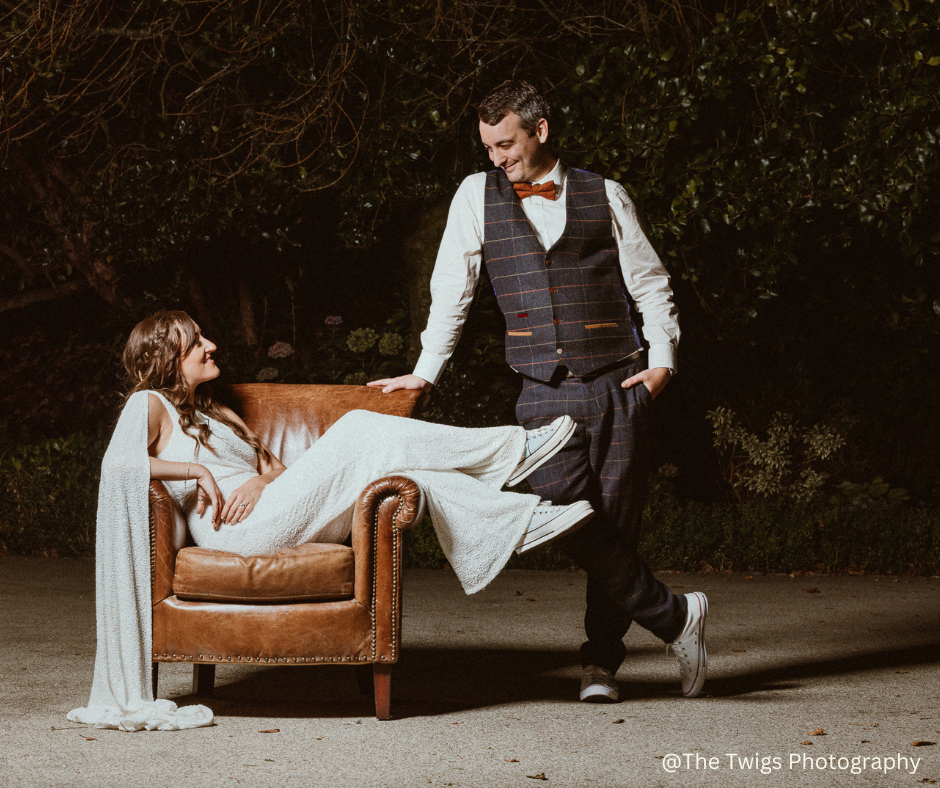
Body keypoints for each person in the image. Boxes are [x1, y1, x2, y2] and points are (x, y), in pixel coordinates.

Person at [69, 310, 592, 731]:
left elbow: (277, 471)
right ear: (167, 356)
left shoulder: (218, 411)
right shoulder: (150, 403)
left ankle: (518, 523)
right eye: (196, 341)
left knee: (411, 472)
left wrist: (258, 481)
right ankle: (514, 451)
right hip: (234, 531)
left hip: (271, 509)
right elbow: (118, 465)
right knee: (359, 426)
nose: (211, 345)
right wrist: (196, 470)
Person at [370, 80, 708, 703]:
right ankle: (674, 616)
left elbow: (651, 284)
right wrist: (426, 370)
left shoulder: (607, 194)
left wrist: (663, 362)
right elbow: (452, 290)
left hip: (620, 383)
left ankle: (601, 665)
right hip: (541, 392)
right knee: (557, 510)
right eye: (488, 147)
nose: (497, 157)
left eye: (506, 144)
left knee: (617, 525)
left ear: (540, 130)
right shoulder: (476, 195)